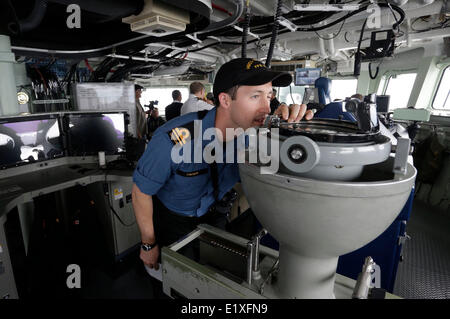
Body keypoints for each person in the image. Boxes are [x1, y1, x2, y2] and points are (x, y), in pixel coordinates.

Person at [132, 58, 314, 270]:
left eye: (269, 96)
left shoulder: (254, 136)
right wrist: (148, 244)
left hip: (215, 213)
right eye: (255, 96)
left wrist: (288, 133)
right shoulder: (173, 139)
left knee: (214, 273)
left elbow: (276, 177)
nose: (266, 107)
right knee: (174, 279)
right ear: (225, 100)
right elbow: (141, 192)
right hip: (174, 221)